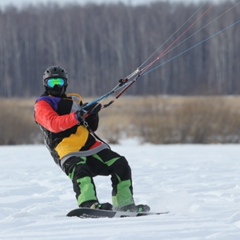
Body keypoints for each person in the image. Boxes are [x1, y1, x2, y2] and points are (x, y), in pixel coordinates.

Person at [34, 65, 150, 212]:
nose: (56, 86)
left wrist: (92, 114)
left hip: (90, 146)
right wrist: (77, 116)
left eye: (60, 82)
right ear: (45, 84)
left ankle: (125, 204)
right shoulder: (42, 104)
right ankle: (88, 204)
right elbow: (54, 124)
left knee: (120, 164)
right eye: (52, 83)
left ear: (66, 84)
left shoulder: (73, 102)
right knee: (80, 170)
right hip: (66, 149)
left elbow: (90, 127)